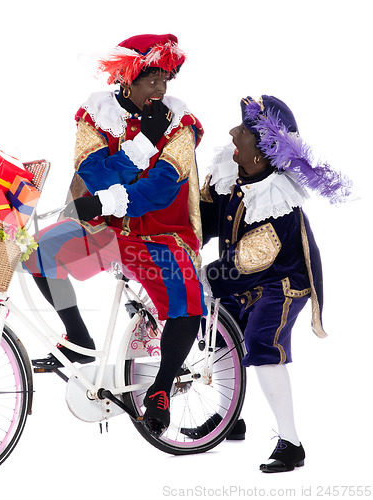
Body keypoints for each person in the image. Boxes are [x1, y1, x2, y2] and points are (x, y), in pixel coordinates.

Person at [23, 33, 207, 434]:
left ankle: (160, 388)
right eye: (152, 79)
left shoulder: (181, 122)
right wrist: (142, 142)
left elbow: (163, 185)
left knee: (186, 302)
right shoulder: (95, 114)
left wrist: (106, 201)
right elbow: (93, 174)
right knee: (38, 253)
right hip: (105, 231)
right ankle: (79, 338)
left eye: (165, 79)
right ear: (127, 77)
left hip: (158, 234)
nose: (160, 89)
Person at [199, 95, 351, 472]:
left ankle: (291, 442)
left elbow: (252, 258)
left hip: (281, 282)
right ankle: (229, 418)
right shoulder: (233, 173)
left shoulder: (277, 200)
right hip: (240, 277)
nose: (233, 132)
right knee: (218, 334)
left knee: (260, 343)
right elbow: (203, 221)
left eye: (244, 131)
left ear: (262, 153)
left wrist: (202, 277)